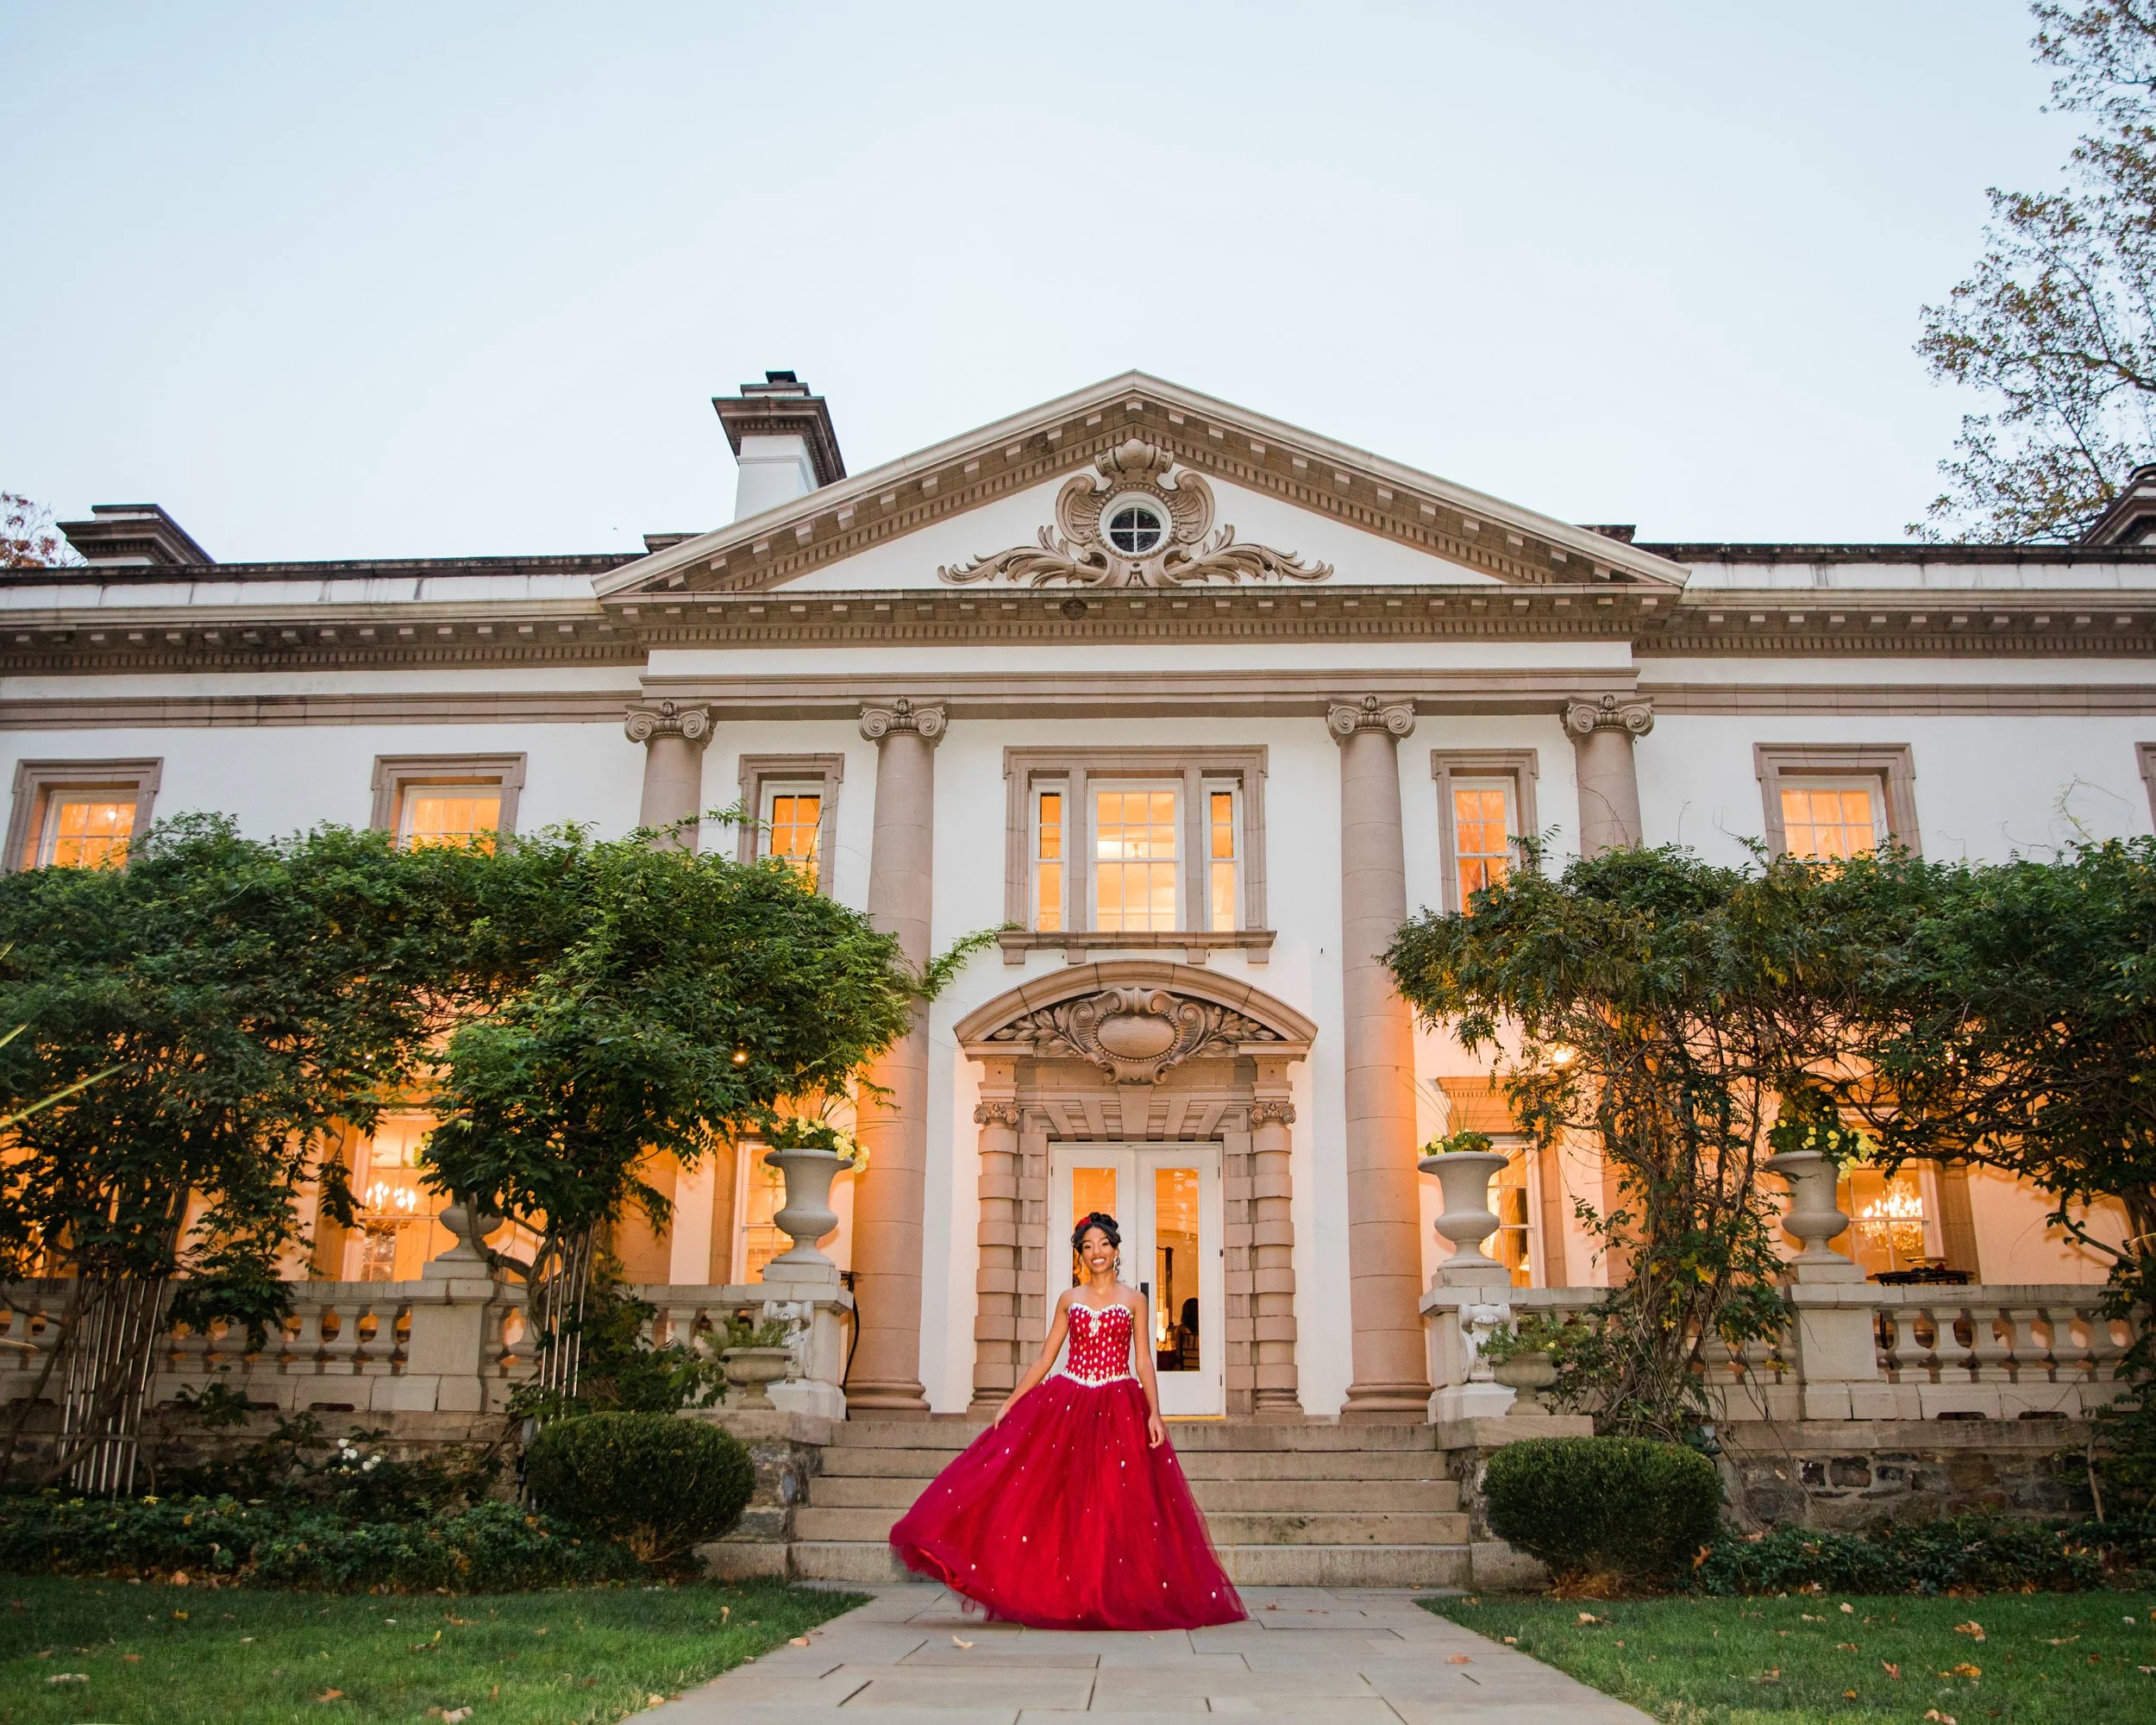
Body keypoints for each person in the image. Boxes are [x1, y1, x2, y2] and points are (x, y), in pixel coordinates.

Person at [887, 1210, 1245, 1629]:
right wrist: (1013, 1399)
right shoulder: (1069, 1300)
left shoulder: (1134, 1301)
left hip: (1118, 1403)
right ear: (1080, 1254)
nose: (1097, 1253)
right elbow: (1045, 1356)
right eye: (1088, 1246)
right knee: (1057, 1504)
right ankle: (1061, 1595)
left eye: (1104, 1245)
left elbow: (1144, 1361)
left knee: (1116, 1508)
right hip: (1068, 1402)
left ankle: (1112, 1596)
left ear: (1116, 1250)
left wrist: (1154, 1413)